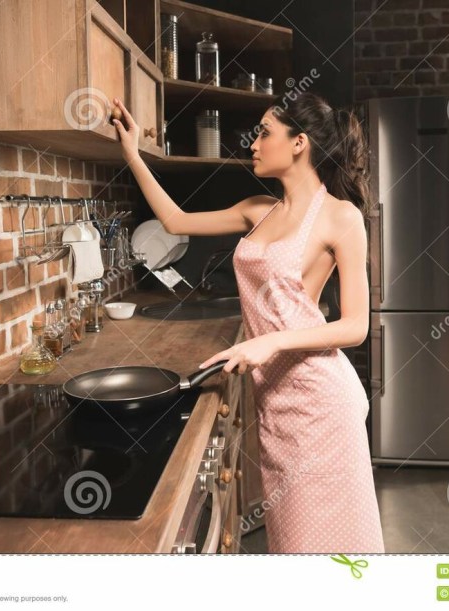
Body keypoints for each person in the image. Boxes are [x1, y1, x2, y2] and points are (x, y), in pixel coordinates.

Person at [111, 91, 384, 553]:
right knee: (292, 542)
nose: (253, 143)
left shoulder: (341, 216)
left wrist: (271, 343)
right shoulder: (258, 208)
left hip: (322, 402)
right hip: (276, 399)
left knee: (333, 550)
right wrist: (132, 154)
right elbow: (176, 221)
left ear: (299, 143)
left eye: (264, 133)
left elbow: (355, 325)